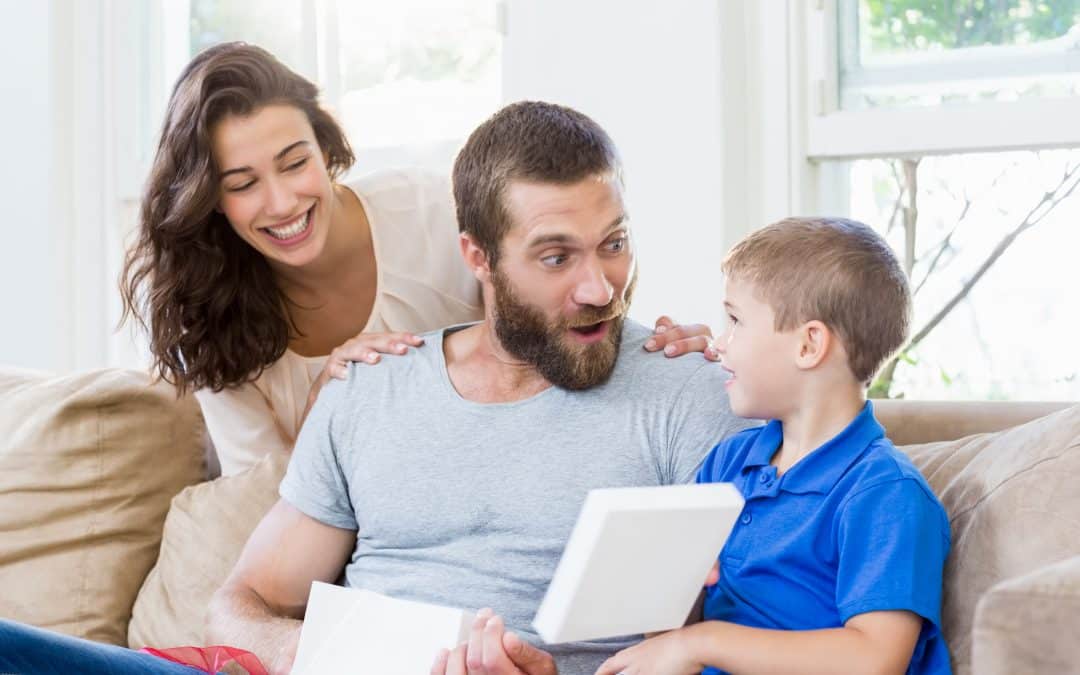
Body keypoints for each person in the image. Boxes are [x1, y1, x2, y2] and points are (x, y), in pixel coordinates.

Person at [204, 100, 755, 675]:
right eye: (556, 256)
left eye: (613, 244)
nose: (599, 289)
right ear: (477, 257)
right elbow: (239, 606)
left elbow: (749, 638)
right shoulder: (368, 389)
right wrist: (313, 652)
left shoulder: (692, 396)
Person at [119, 42, 713, 477]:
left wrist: (646, 354)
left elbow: (555, 292)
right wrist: (328, 408)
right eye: (242, 183)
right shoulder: (207, 316)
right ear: (210, 200)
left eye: (295, 162)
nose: (282, 202)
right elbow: (267, 518)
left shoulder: (433, 210)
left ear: (326, 149)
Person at [594, 218, 952, 675]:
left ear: (808, 345)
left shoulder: (885, 494)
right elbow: (674, 640)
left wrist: (703, 642)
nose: (720, 344)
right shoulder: (728, 463)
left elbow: (874, 658)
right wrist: (663, 594)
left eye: (736, 321)